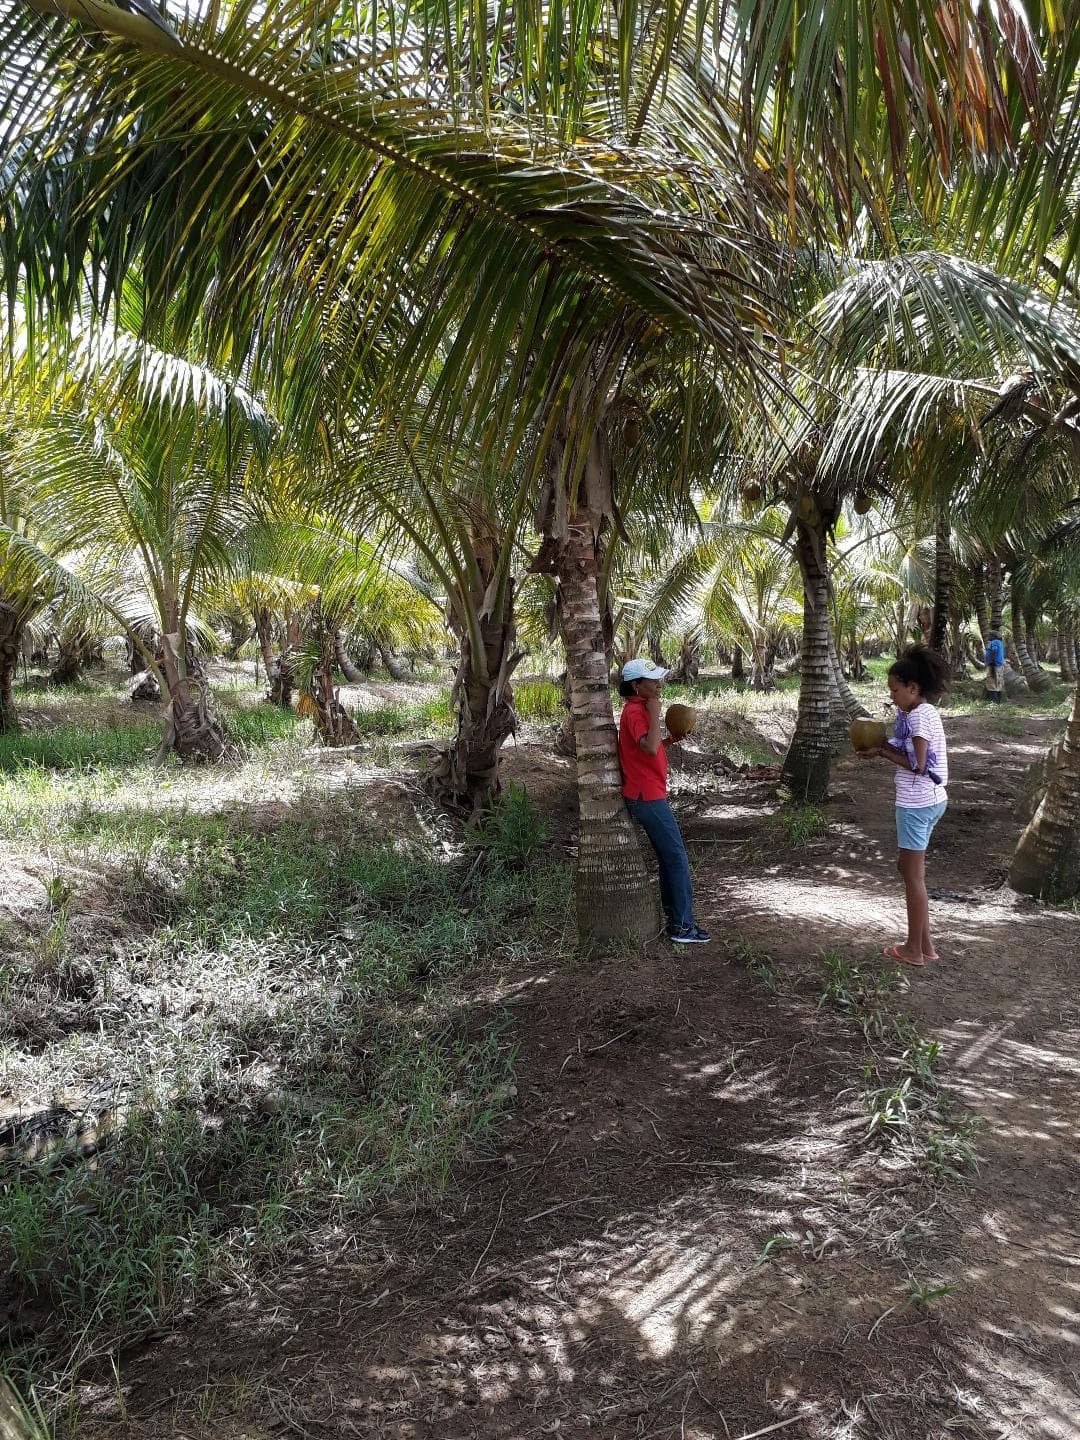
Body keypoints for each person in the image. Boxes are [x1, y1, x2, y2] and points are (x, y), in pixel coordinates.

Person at [858, 645, 949, 969]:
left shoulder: (920, 716)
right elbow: (910, 754)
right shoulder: (923, 712)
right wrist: (880, 746)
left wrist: (882, 754)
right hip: (932, 801)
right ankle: (926, 945)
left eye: (895, 690)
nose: (892, 696)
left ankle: (913, 950)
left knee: (912, 877)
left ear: (913, 688)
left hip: (916, 804)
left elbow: (920, 765)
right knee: (911, 871)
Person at [617, 658, 710, 944]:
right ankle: (682, 927)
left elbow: (649, 747)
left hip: (649, 793)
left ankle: (677, 921)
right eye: (653, 681)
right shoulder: (635, 712)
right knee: (677, 860)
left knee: (670, 859)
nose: (659, 684)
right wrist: (655, 713)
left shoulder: (639, 710)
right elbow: (647, 747)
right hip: (647, 796)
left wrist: (671, 740)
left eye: (659, 679)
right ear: (636, 685)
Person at [984, 630, 1006, 703]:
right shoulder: (1000, 643)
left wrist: (991, 661)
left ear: (993, 636)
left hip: (993, 665)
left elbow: (994, 650)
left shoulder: (994, 642)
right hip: (999, 664)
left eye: (989, 635)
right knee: (999, 682)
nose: (988, 637)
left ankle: (994, 701)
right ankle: (998, 701)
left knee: (992, 682)